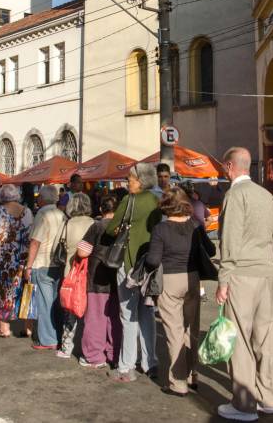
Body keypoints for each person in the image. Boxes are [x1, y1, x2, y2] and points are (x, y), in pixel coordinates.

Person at [215, 147, 273, 421]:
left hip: (241, 271)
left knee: (240, 336)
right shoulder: (265, 195)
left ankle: (244, 403)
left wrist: (223, 278)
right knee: (264, 336)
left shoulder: (234, 195)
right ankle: (268, 397)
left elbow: (229, 239)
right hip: (265, 270)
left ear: (230, 167)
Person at [146, 187, 215, 397]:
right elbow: (211, 251)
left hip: (169, 280)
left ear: (165, 205)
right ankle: (194, 375)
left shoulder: (161, 229)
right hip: (193, 278)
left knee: (173, 331)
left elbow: (153, 260)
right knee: (190, 329)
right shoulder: (195, 224)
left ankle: (178, 382)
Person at [105, 162, 161, 383]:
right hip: (149, 265)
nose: (128, 180)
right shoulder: (156, 201)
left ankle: (126, 366)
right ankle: (151, 363)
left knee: (128, 316)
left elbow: (111, 229)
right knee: (147, 314)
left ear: (141, 180)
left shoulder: (129, 201)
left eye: (131, 177)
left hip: (128, 264)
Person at [0, 183, 33, 338]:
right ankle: (28, 328)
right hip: (23, 259)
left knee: (2, 293)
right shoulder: (27, 211)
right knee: (24, 291)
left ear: (1, 197)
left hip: (3, 262)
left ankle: (4, 329)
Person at [76, 195, 121, 369]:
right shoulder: (123, 227)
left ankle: (94, 356)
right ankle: (114, 353)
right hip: (118, 277)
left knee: (96, 317)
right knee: (115, 318)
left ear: (101, 209)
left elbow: (82, 252)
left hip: (97, 277)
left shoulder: (96, 226)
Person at [24, 185, 67, 348]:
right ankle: (58, 335)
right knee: (55, 302)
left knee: (44, 303)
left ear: (41, 199)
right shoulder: (61, 214)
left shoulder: (42, 214)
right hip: (57, 263)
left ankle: (48, 339)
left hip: (42, 263)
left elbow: (35, 242)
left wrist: (28, 266)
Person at [56, 192, 96, 359]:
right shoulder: (94, 223)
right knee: (90, 311)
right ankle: (88, 347)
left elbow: (59, 246)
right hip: (90, 272)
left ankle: (66, 347)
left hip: (70, 272)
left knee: (70, 309)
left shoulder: (68, 224)